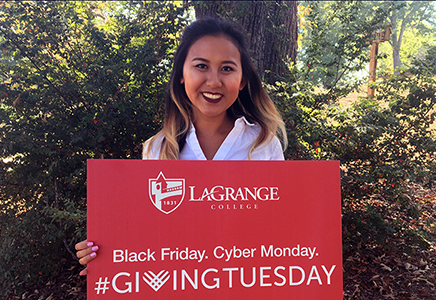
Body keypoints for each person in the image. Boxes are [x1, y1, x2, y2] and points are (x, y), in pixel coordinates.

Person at [75, 17, 287, 275]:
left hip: (246, 282)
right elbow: (149, 234)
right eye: (201, 66)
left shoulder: (263, 144)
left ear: (242, 80)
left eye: (227, 69)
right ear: (181, 76)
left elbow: (279, 230)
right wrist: (109, 254)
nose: (214, 81)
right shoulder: (158, 148)